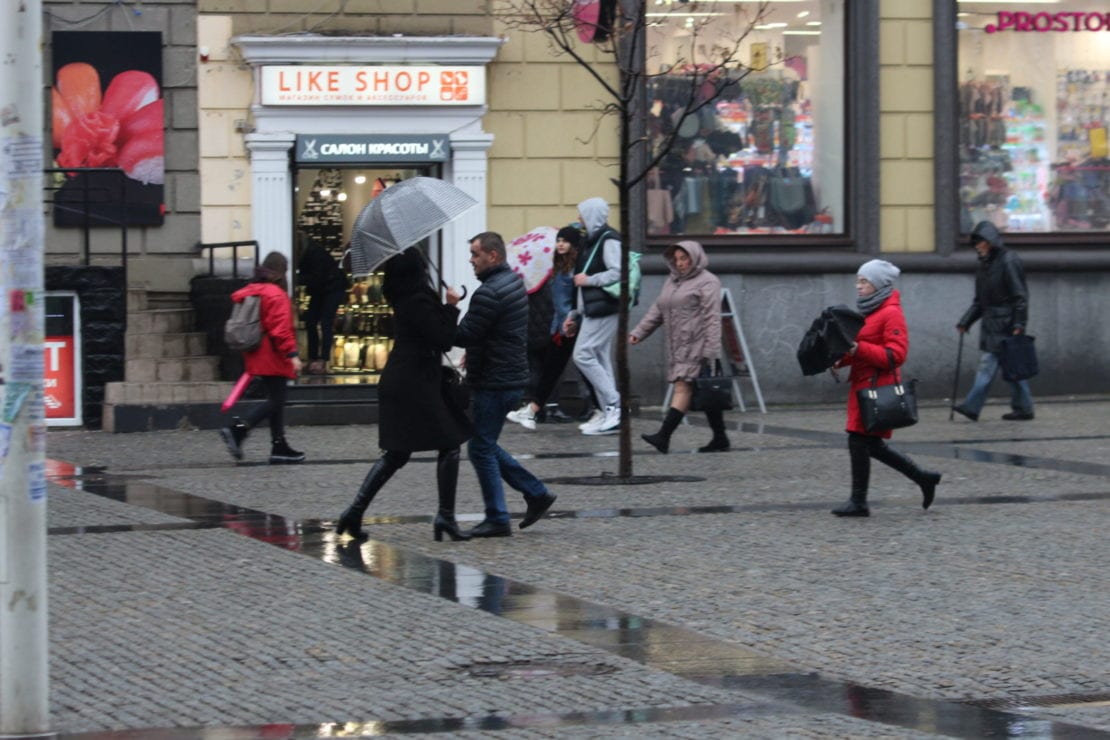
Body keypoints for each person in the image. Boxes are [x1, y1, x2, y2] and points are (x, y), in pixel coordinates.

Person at [334, 247, 472, 542]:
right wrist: (451, 305)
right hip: (414, 382)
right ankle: (445, 517)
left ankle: (353, 513)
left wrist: (444, 306)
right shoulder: (418, 301)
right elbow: (444, 339)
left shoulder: (405, 298)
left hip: (406, 379)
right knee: (449, 444)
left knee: (397, 454)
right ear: (418, 271)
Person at [454, 232, 557, 538]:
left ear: (493, 256)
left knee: (481, 448)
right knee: (483, 444)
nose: (471, 260)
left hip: (495, 380)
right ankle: (535, 493)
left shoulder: (489, 292)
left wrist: (448, 307)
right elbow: (493, 333)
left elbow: (465, 334)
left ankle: (499, 516)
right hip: (508, 375)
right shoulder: (512, 281)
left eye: (475, 254)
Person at [831, 259, 941, 517]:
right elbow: (860, 346)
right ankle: (923, 478)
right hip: (863, 385)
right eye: (857, 280)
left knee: (859, 441)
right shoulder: (869, 311)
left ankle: (859, 502)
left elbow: (896, 355)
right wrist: (842, 359)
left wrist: (858, 350)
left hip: (877, 389)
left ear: (878, 285)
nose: (858, 286)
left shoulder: (890, 312)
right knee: (870, 444)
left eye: (864, 281)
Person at [630, 240, 730, 453]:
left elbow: (712, 318)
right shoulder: (673, 281)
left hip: (697, 344)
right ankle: (720, 438)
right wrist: (639, 333)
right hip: (677, 345)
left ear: (695, 257)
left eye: (684, 258)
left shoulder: (708, 282)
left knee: (683, 386)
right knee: (705, 390)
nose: (681, 263)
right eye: (676, 259)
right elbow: (657, 310)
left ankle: (663, 436)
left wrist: (711, 351)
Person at [506, 225, 599, 430]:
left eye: (565, 241)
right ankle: (532, 410)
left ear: (574, 245)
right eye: (558, 241)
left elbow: (575, 300)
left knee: (582, 368)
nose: (560, 244)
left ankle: (606, 408)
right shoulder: (559, 266)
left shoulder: (577, 268)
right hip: (562, 327)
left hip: (574, 325)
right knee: (552, 369)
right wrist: (557, 327)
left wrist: (570, 320)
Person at [219, 251, 305, 464]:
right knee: (277, 400)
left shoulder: (253, 290)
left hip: (256, 353)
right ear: (281, 272)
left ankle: (279, 446)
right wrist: (293, 355)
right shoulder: (275, 295)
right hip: (273, 355)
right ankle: (238, 429)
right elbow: (280, 330)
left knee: (276, 399)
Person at [953, 221, 1034, 421]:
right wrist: (966, 321)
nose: (977, 246)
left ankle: (972, 406)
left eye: (981, 242)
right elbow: (980, 301)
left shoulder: (1008, 261)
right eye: (976, 243)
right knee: (1012, 368)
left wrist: (1018, 324)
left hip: (1005, 325)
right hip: (993, 324)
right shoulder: (984, 266)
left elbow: (1020, 297)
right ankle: (1024, 408)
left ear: (990, 242)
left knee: (988, 366)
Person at [564, 197, 622, 436]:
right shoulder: (593, 240)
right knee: (599, 357)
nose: (579, 219)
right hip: (592, 309)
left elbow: (618, 272)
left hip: (603, 308)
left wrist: (590, 280)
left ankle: (614, 404)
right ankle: (608, 412)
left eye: (582, 214)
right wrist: (574, 314)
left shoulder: (608, 240)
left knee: (583, 354)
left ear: (592, 215)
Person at [296, 233, 347, 374]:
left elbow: (316, 278)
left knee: (325, 322)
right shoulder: (310, 251)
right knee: (312, 321)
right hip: (325, 288)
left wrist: (298, 278)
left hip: (331, 288)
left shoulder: (313, 253)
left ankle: (322, 360)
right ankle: (315, 359)